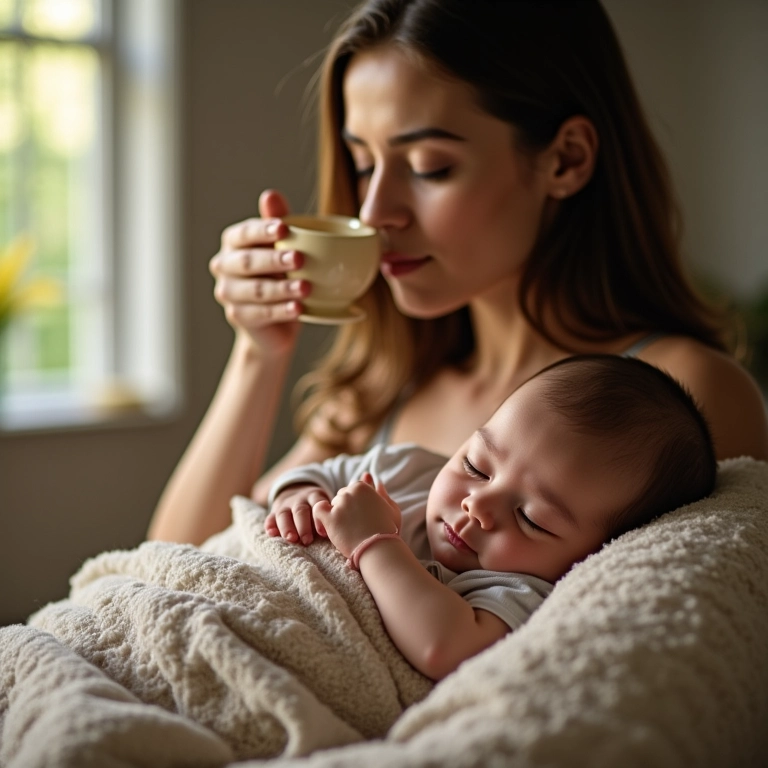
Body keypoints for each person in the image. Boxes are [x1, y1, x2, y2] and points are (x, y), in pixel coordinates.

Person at [148, 0, 768, 545]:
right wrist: (259, 354)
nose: (374, 213)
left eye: (429, 167)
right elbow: (173, 569)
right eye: (364, 165)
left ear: (566, 160)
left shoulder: (682, 397)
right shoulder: (384, 387)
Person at [264, 355, 717, 680]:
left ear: (597, 555)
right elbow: (315, 474)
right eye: (476, 466)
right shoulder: (408, 469)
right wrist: (299, 498)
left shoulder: (515, 594)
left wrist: (376, 542)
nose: (478, 506)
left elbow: (442, 648)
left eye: (531, 519)